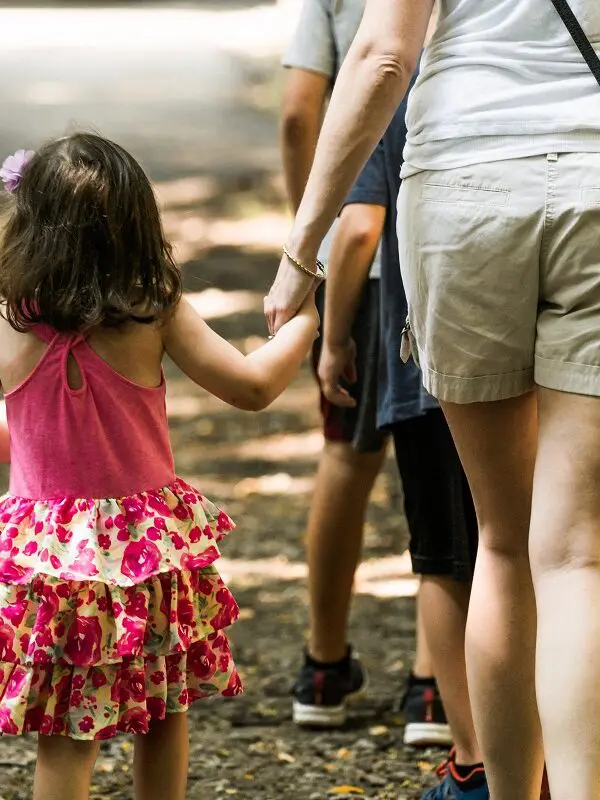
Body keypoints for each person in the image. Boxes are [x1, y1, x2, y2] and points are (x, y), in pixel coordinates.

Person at [264, 0, 600, 797]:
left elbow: (383, 54)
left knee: (506, 542)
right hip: (594, 180)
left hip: (465, 186)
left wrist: (301, 249)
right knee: (577, 552)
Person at [0, 134, 318, 800]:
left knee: (64, 736)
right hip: (148, 551)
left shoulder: (8, 320)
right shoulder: (152, 306)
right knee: (162, 711)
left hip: (49, 560)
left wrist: (32, 428)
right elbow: (254, 388)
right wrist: (301, 328)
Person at [280, 0, 449, 744]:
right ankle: (434, 686)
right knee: (452, 472)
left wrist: (305, 235)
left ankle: (323, 664)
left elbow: (296, 113)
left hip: (367, 266)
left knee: (347, 457)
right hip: (454, 254)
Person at [322, 92, 486, 798]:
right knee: (551, 556)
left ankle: (475, 760)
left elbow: (359, 227)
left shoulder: (405, 79)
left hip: (431, 364)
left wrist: (334, 339)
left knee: (447, 562)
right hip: (553, 357)